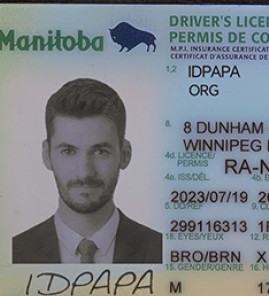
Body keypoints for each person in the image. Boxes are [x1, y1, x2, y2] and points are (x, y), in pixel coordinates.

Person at [12, 78, 162, 264]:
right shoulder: (13, 253)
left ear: (124, 155)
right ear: (47, 155)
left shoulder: (162, 251)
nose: (85, 173)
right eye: (68, 151)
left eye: (101, 152)